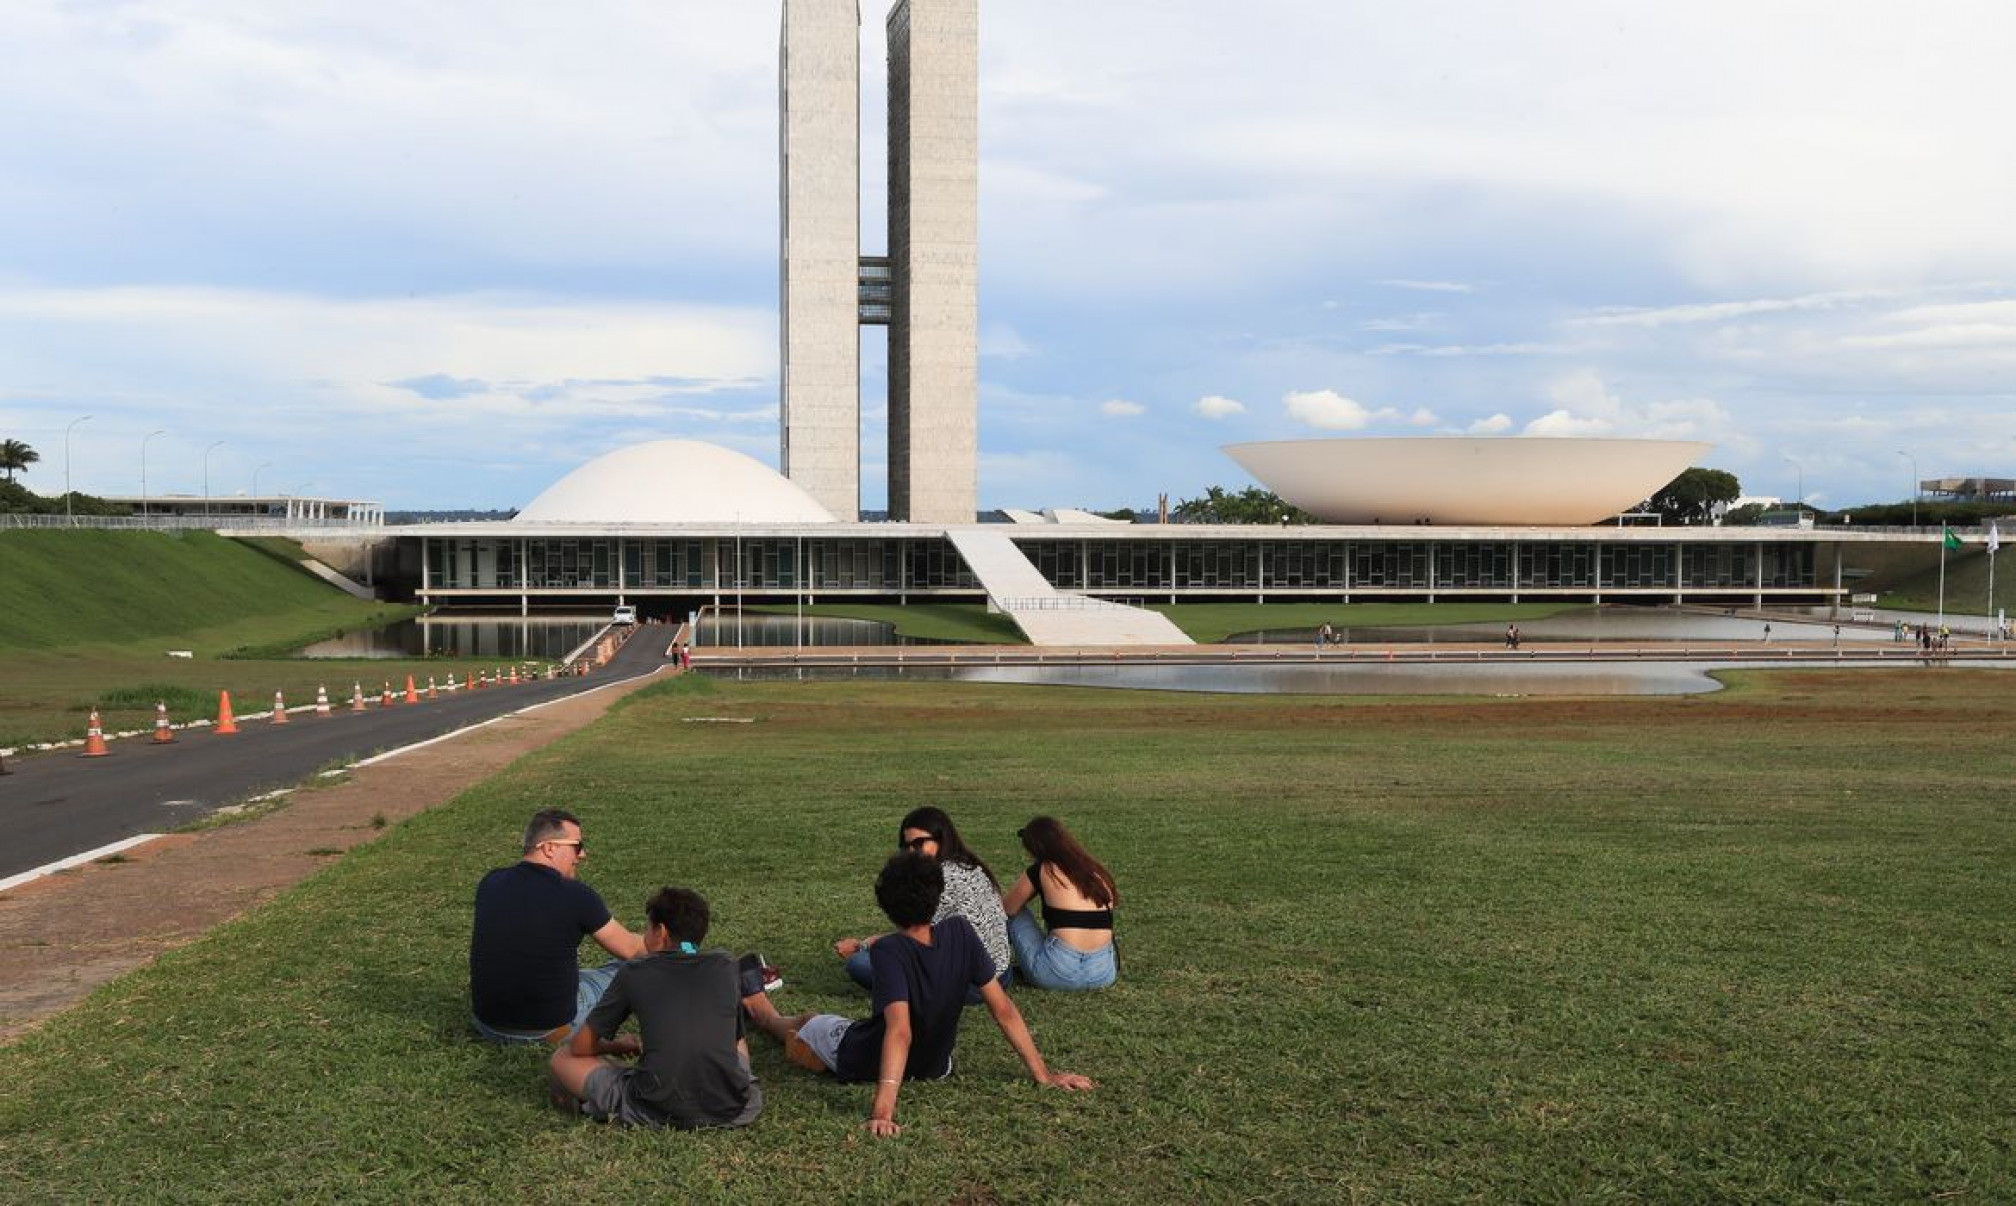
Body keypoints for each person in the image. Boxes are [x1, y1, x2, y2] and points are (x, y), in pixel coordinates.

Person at [747, 852, 1093, 1137]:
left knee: (808, 1021)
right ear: (937, 894)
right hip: (936, 1065)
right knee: (838, 1024)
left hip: (861, 1057)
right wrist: (1043, 1074)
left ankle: (758, 1009)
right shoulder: (960, 931)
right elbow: (1003, 1009)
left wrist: (882, 1110)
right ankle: (771, 1015)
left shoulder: (889, 951)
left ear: (886, 905)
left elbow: (899, 1031)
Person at [548, 887, 764, 1129]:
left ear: (661, 931)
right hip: (734, 1108)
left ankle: (612, 1093)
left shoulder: (635, 972)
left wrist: (615, 1046)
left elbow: (581, 1046)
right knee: (737, 1041)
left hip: (653, 1109)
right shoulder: (726, 965)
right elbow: (734, 1039)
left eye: (647, 927)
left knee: (562, 1057)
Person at [469, 808, 646, 1044]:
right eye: (577, 845)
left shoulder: (490, 882)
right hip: (549, 1029)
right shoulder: (576, 895)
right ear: (550, 847)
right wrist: (681, 946)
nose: (582, 855)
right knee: (630, 969)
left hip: (488, 1025)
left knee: (582, 975)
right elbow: (631, 949)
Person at [833, 807, 1011, 998]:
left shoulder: (940, 879)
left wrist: (863, 946)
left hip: (974, 985)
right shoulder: (969, 865)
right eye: (906, 846)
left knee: (860, 964)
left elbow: (917, 939)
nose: (911, 851)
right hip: (1002, 974)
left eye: (919, 843)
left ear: (941, 838)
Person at [1001, 816, 1118, 991]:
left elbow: (1007, 909)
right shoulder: (1095, 872)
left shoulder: (1042, 869)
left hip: (1055, 973)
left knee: (1016, 911)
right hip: (1103, 975)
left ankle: (991, 965)